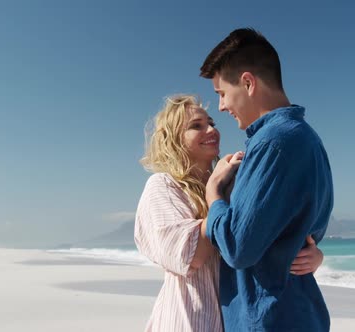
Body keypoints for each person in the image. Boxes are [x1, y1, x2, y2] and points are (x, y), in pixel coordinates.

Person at [134, 95, 324, 332]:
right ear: (174, 139)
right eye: (197, 126)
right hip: (189, 320)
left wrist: (312, 255)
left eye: (211, 122)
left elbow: (265, 237)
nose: (211, 129)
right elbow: (190, 255)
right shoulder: (163, 185)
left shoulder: (232, 183)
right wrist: (215, 192)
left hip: (236, 319)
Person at [200, 28, 334, 331]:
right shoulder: (309, 140)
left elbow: (237, 247)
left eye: (222, 94)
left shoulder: (273, 143)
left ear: (247, 83)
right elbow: (311, 232)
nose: (221, 106)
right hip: (297, 313)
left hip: (270, 318)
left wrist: (214, 195)